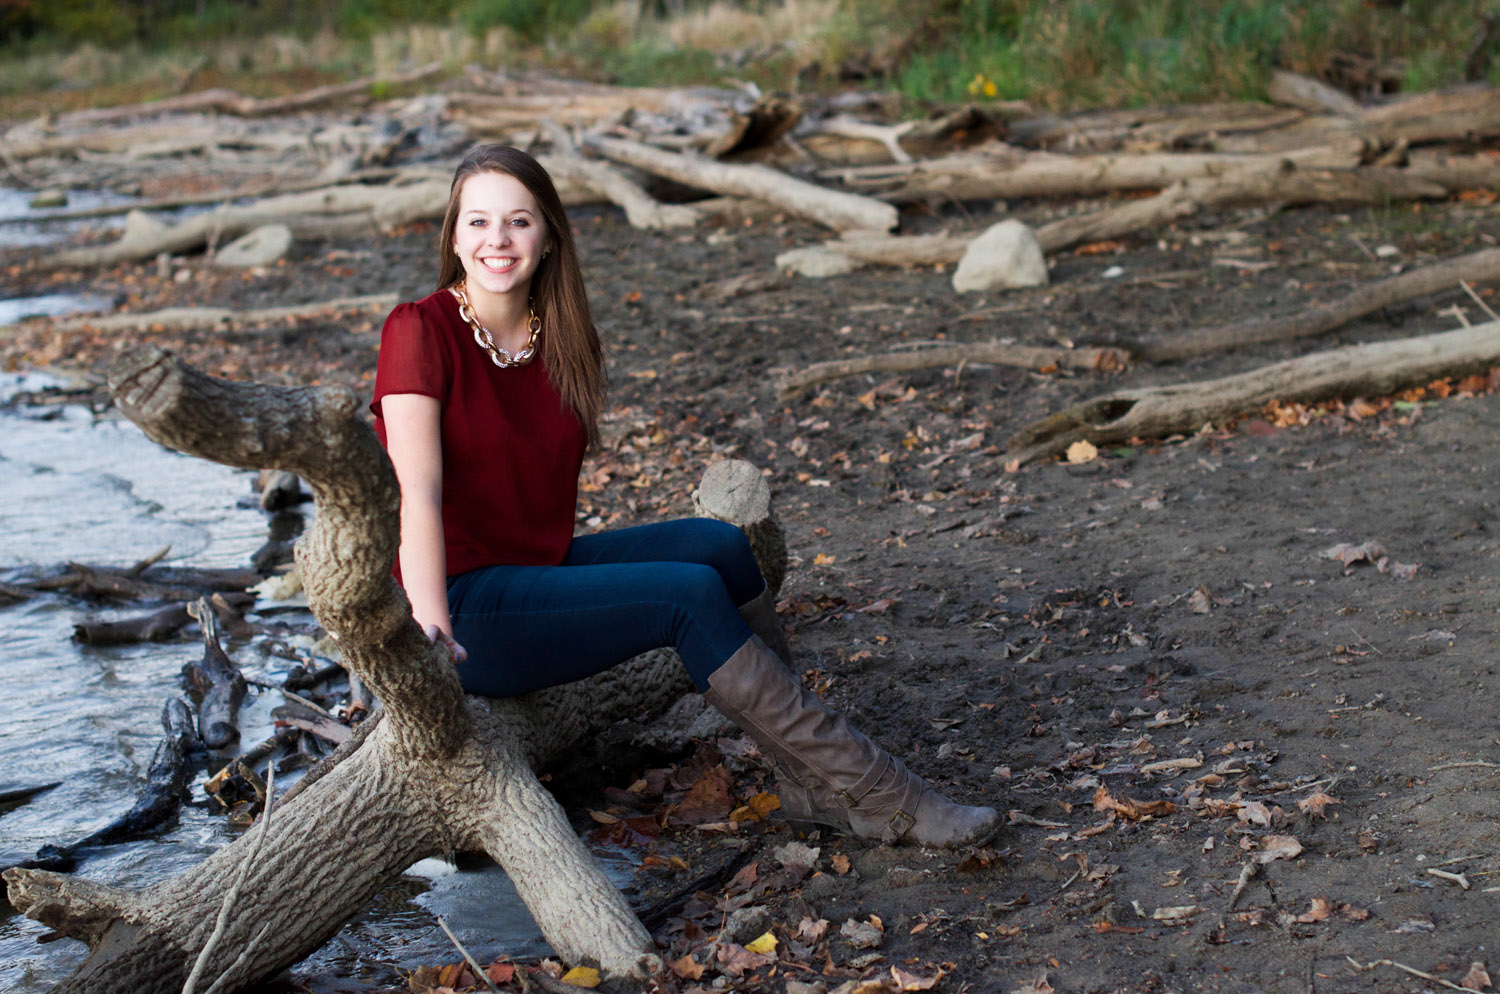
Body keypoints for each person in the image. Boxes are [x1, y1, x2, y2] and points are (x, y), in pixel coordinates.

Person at [370, 144, 998, 848]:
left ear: (548, 237)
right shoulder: (418, 330)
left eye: (518, 222)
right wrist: (431, 630)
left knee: (720, 546)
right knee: (682, 595)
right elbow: (414, 493)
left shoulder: (562, 339)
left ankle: (812, 780)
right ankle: (884, 795)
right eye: (478, 222)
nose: (497, 241)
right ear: (454, 236)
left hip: (533, 570)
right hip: (462, 608)